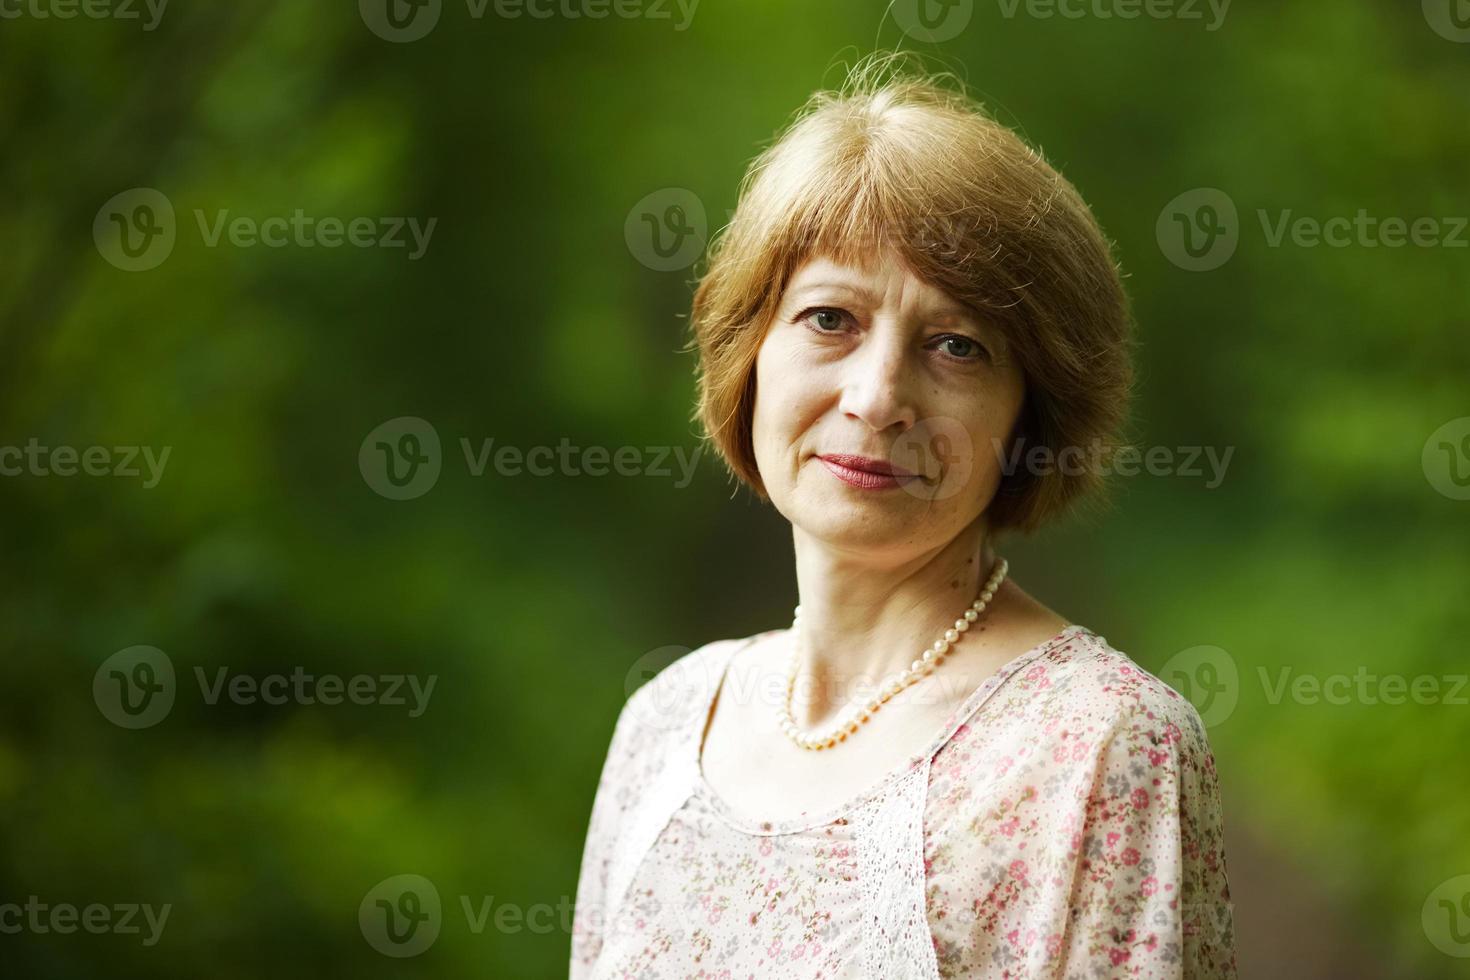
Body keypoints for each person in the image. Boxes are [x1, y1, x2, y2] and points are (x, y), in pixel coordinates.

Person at [571, 53, 1236, 978]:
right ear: (747, 351)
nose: (878, 397)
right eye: (829, 319)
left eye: (956, 345)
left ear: (1028, 416)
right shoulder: (667, 724)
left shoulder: (1100, 747)